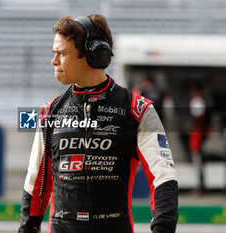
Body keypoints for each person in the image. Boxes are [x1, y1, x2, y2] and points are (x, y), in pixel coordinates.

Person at [18, 14, 178, 233]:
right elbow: (35, 184)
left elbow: (164, 177)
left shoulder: (138, 110)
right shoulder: (49, 112)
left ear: (93, 55)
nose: (53, 61)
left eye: (61, 53)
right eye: (54, 53)